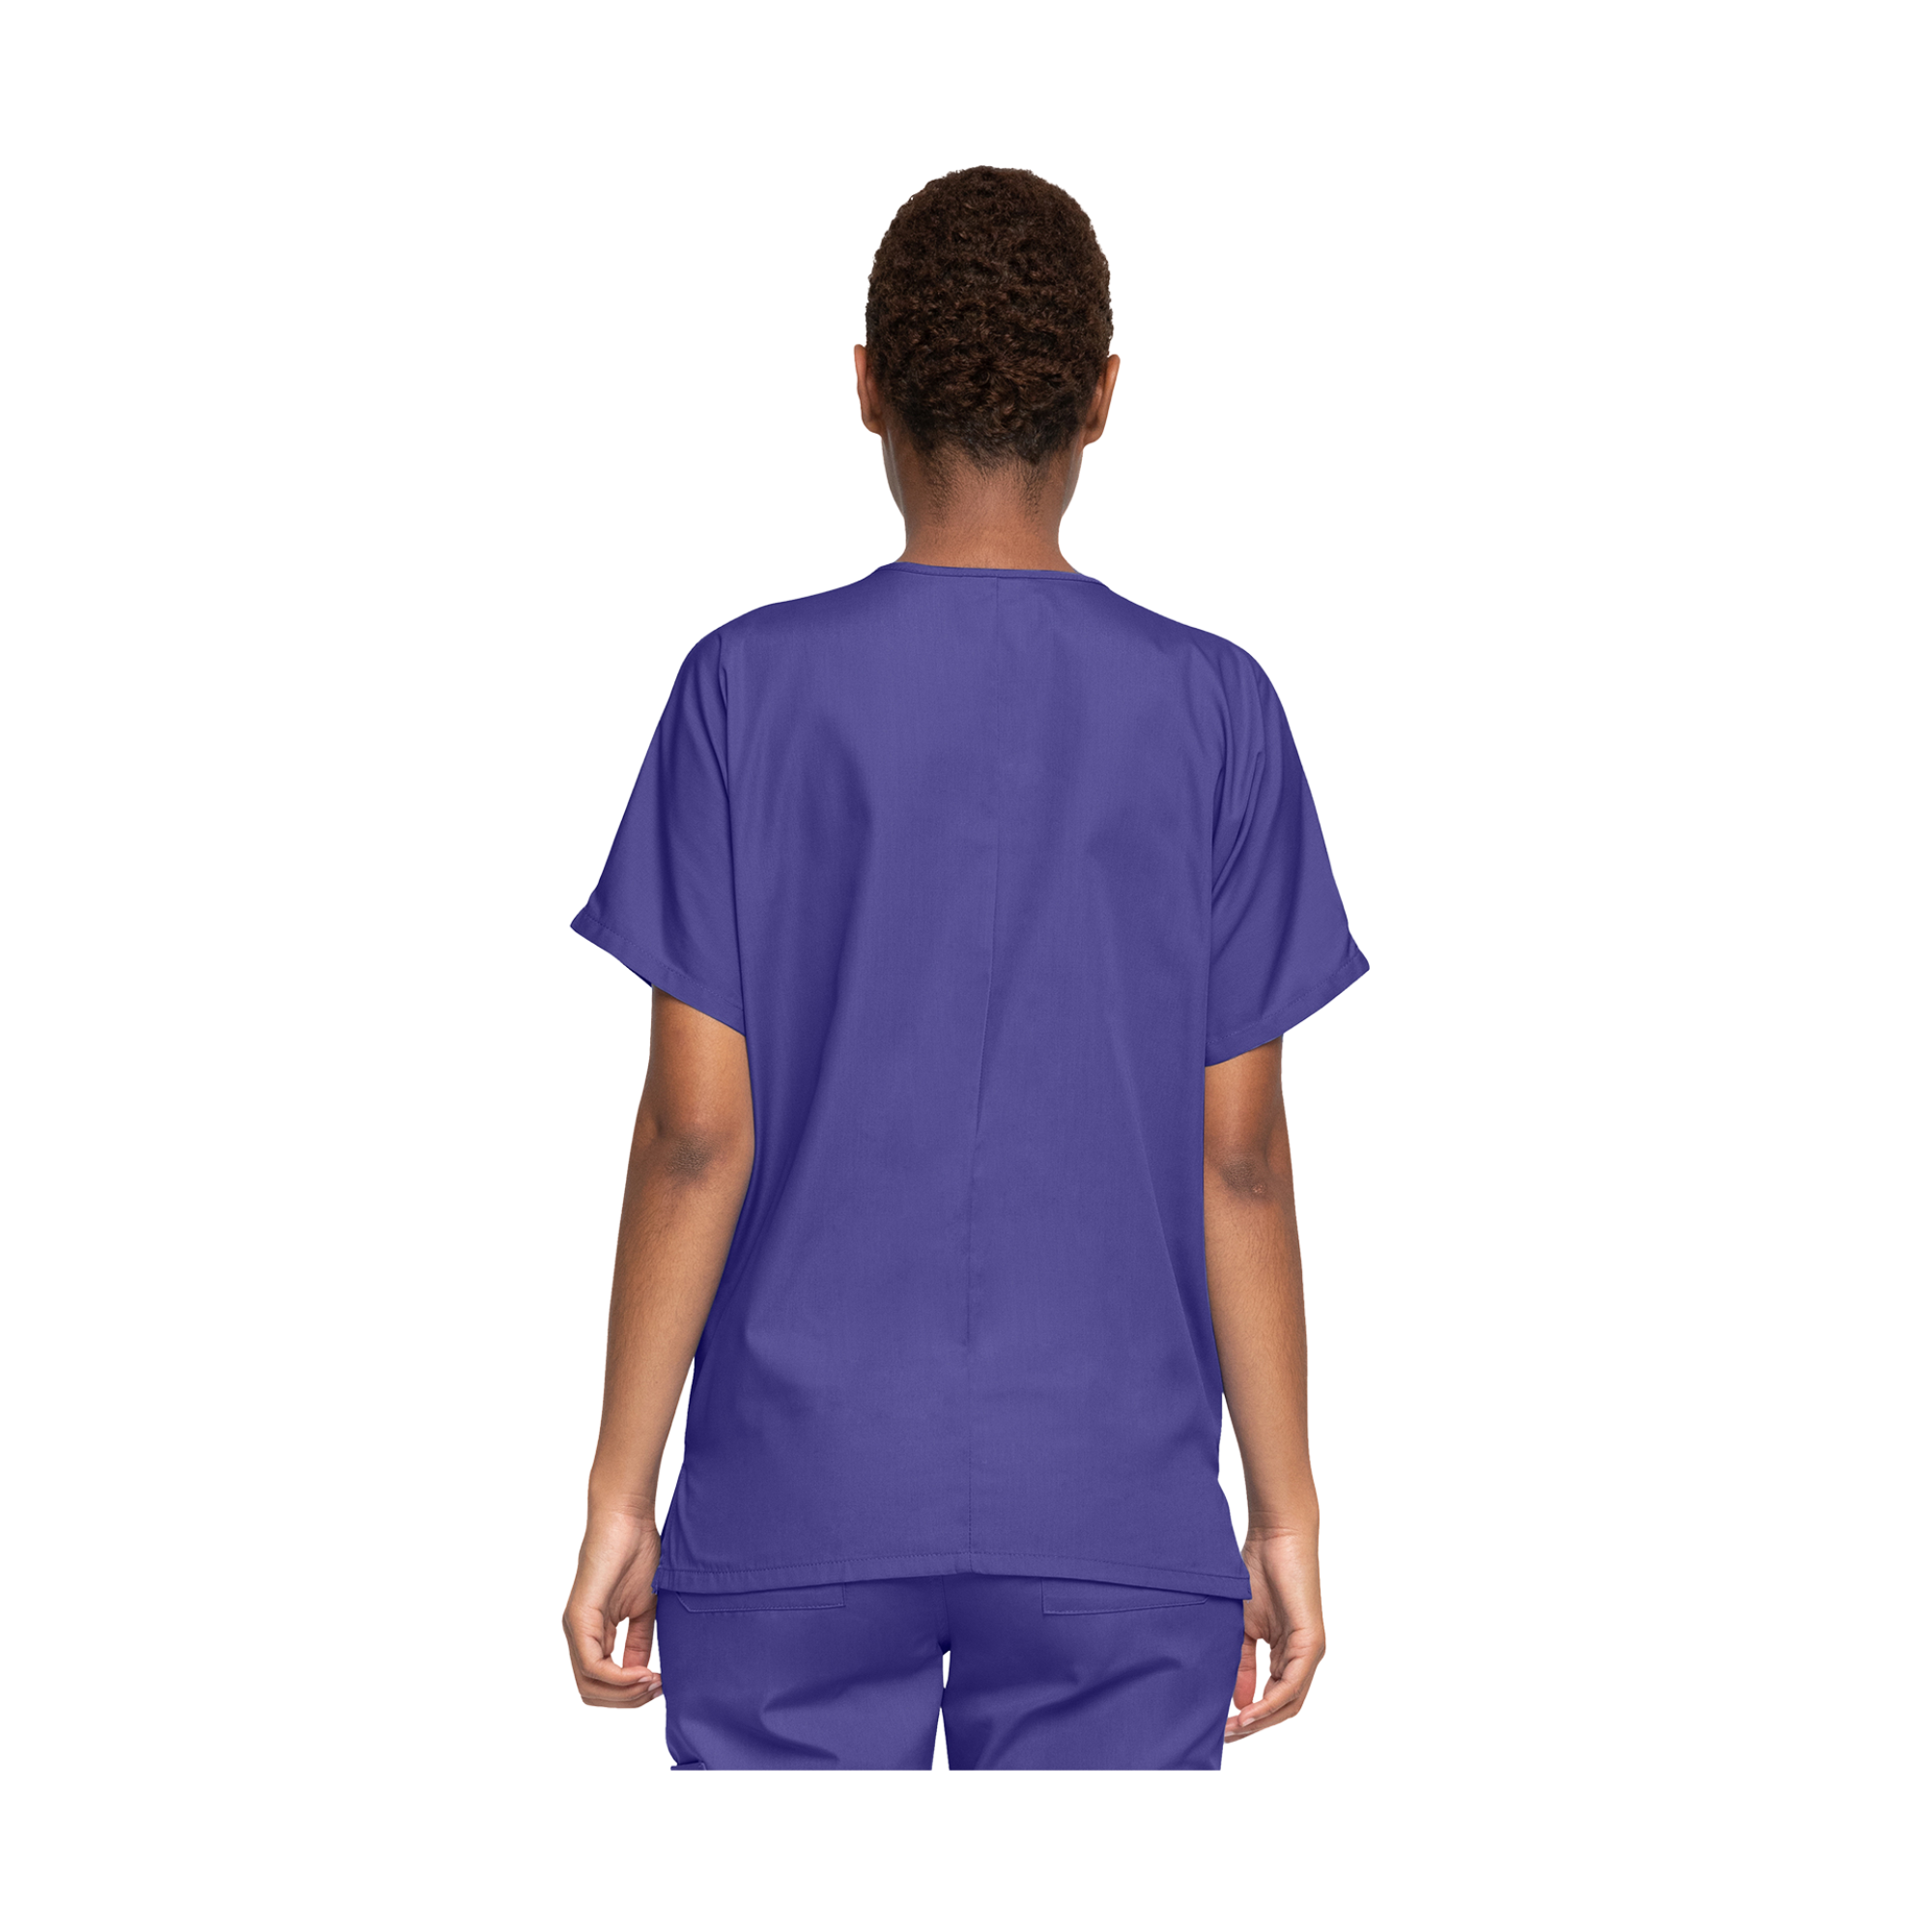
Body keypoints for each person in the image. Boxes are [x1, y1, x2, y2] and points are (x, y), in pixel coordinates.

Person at [561, 165, 1369, 1770]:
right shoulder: (1217, 712)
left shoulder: (740, 694)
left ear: (867, 386)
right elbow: (1240, 1157)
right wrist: (1286, 1506)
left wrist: (619, 1490)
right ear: (1103, 400)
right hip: (1113, 1510)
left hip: (794, 1497)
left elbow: (696, 1134)